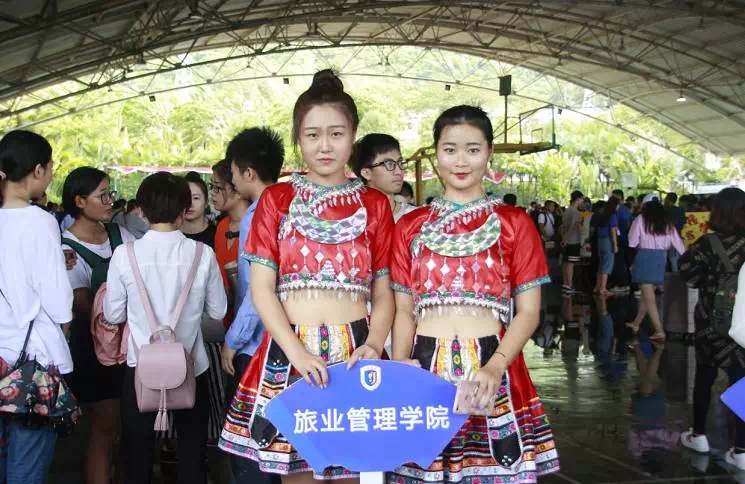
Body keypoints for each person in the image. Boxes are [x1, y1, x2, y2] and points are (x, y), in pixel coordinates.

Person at [219, 70, 395, 481]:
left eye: (336, 134)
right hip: (289, 354)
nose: (325, 145)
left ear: (353, 137)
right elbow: (262, 290)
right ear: (299, 139)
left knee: (355, 472)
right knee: (296, 473)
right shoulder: (276, 200)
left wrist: (373, 344)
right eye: (313, 135)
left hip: (356, 356)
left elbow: (384, 292)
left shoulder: (375, 204)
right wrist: (296, 353)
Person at [389, 105, 559, 483]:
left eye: (473, 149)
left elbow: (529, 312)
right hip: (425, 368)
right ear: (436, 153)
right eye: (450, 150)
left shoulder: (515, 223)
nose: (461, 161)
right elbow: (404, 311)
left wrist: (496, 365)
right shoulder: (410, 226)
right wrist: (401, 364)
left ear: (489, 153)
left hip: (492, 366)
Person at [104, 172, 228, 484]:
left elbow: (113, 314)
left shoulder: (124, 254)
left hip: (140, 366)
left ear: (141, 212)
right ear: (184, 210)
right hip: (192, 366)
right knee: (192, 454)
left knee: (138, 455)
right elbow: (218, 311)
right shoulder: (202, 254)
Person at [0, 130, 75, 484]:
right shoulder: (40, 221)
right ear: (38, 170)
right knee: (26, 468)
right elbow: (58, 303)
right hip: (31, 363)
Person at [61, 167, 136, 484]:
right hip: (93, 348)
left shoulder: (122, 236)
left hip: (129, 346)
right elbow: (80, 306)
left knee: (125, 429)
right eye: (102, 196)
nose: (110, 202)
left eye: (110, 194)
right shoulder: (66, 249)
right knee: (105, 427)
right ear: (79, 201)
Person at [218, 127, 285, 484]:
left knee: (250, 448)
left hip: (258, 348)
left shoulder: (258, 214)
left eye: (232, 173)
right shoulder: (291, 206)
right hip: (289, 345)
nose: (231, 182)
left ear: (248, 172)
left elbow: (258, 292)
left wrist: (233, 340)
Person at [679, 188, 745, 470]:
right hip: (742, 323)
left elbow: (687, 275)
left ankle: (698, 436)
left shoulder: (707, 243)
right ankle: (741, 450)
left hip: (710, 323)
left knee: (704, 376)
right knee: (740, 383)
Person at [625, 195, 684, 341]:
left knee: (649, 298)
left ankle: (659, 331)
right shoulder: (666, 222)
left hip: (645, 258)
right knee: (647, 296)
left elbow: (632, 242)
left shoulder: (640, 219)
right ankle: (636, 324)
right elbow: (678, 243)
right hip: (661, 259)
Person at [211, 158, 249, 326]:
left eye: (218, 188)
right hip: (226, 320)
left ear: (237, 188)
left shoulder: (256, 226)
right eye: (211, 187)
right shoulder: (221, 227)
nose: (213, 193)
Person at [352, 133, 416, 222]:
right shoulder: (353, 222)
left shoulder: (416, 218)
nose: (399, 172)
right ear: (366, 173)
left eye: (400, 163)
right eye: (389, 164)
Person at [592, 197, 619, 297]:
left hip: (600, 241)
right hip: (608, 241)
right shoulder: (612, 215)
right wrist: (615, 244)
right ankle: (603, 289)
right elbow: (613, 231)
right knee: (606, 265)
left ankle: (597, 287)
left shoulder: (602, 214)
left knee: (601, 265)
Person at [181, 171, 217, 245]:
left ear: (206, 202)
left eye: (196, 198)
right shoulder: (170, 234)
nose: (190, 204)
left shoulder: (217, 234)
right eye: (185, 197)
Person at [561, 190, 584, 295]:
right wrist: (567, 239)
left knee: (566, 263)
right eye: (582, 199)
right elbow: (574, 226)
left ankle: (565, 284)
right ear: (578, 199)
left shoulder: (567, 211)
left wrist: (564, 239)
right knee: (571, 264)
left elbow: (563, 227)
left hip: (566, 240)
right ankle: (569, 285)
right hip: (573, 241)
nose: (582, 202)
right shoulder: (575, 212)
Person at [664, 192, 686, 272]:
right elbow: (683, 224)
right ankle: (675, 278)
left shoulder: (663, 210)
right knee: (674, 262)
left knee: (664, 262)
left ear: (667, 199)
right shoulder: (681, 210)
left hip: (664, 239)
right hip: (676, 239)